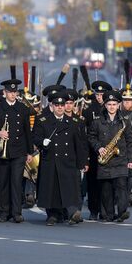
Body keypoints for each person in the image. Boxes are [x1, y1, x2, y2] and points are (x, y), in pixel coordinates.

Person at [33, 91, 88, 226]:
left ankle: (71, 213)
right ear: (52, 106)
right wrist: (42, 142)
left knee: (69, 188)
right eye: (56, 105)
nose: (59, 107)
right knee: (51, 189)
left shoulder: (73, 122)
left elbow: (79, 144)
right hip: (50, 160)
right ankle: (52, 215)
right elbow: (34, 137)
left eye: (62, 105)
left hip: (68, 161)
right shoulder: (43, 120)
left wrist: (83, 162)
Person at [0, 79, 34, 223]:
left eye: (15, 92)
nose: (13, 94)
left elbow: (27, 132)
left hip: (18, 151)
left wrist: (29, 152)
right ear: (5, 93)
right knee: (3, 183)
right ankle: (3, 212)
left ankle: (16, 213)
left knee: (16, 183)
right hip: (2, 153)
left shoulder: (23, 108)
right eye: (10, 92)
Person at [87, 90, 132, 222]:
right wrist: (99, 147)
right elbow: (91, 137)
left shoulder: (124, 122)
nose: (112, 107)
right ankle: (108, 214)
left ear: (119, 105)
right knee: (106, 191)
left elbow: (131, 142)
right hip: (105, 161)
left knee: (121, 188)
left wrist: (131, 160)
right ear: (105, 105)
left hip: (120, 160)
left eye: (114, 104)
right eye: (109, 104)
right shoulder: (97, 121)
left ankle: (122, 212)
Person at [83, 80, 112, 220]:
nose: (99, 97)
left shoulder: (111, 109)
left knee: (106, 184)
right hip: (93, 152)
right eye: (97, 94)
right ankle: (93, 210)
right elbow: (86, 134)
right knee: (93, 183)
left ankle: (105, 210)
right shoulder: (89, 111)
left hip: (109, 151)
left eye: (102, 94)